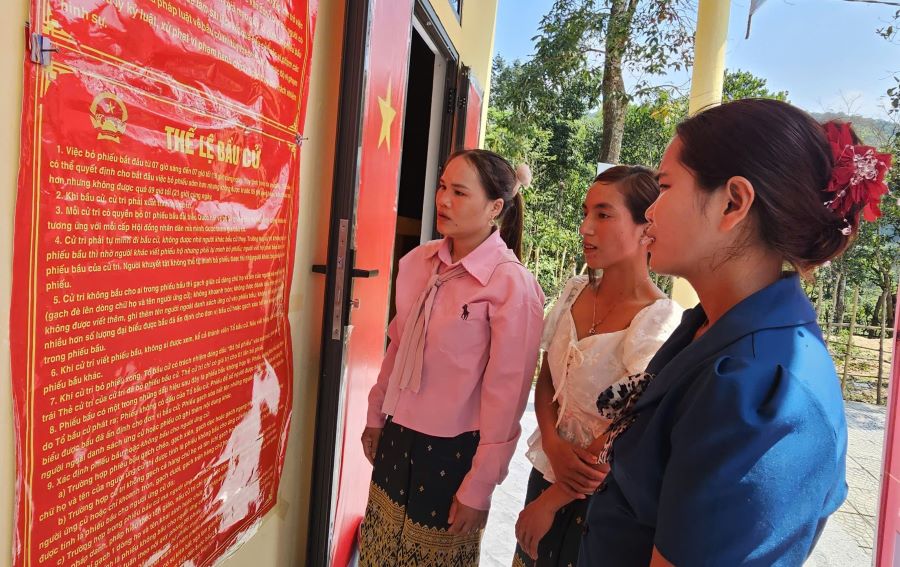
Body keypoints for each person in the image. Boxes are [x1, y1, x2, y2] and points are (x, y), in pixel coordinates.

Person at [578, 99, 893, 566]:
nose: (652, 214)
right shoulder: (709, 329)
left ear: (732, 203)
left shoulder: (762, 391)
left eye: (664, 188)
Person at [358, 149, 546, 566]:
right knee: (378, 551)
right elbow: (397, 345)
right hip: (398, 436)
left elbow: (507, 395)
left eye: (459, 192)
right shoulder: (419, 263)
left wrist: (480, 486)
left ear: (495, 207)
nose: (443, 200)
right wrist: (376, 415)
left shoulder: (510, 287)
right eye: (443, 187)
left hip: (454, 454)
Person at [512, 166, 683, 567]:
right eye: (586, 213)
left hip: (600, 498)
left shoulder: (656, 321)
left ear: (647, 226)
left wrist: (551, 503)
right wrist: (553, 445)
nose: (586, 228)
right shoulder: (574, 292)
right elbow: (549, 379)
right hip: (548, 471)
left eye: (604, 215)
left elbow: (630, 428)